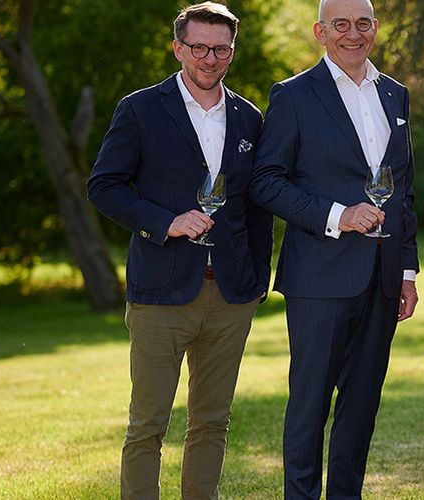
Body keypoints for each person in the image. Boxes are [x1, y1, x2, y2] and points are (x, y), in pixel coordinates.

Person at [86, 3, 273, 498]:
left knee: (212, 422)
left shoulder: (249, 118)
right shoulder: (140, 109)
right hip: (160, 292)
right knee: (147, 424)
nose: (211, 58)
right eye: (200, 48)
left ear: (232, 51)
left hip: (231, 295)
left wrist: (257, 279)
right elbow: (104, 186)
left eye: (222, 49)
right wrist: (165, 223)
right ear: (178, 48)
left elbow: (257, 206)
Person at [247, 0, 419, 497]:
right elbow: (265, 181)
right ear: (320, 32)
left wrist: (407, 271)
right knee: (310, 406)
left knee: (361, 407)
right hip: (318, 277)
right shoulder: (294, 95)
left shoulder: (395, 94)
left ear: (375, 28)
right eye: (340, 24)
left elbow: (403, 189)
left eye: (362, 23)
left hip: (382, 277)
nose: (353, 34)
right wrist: (336, 216)